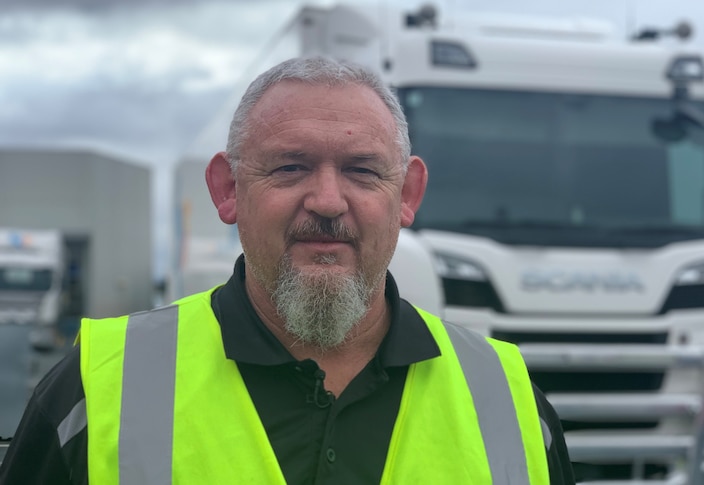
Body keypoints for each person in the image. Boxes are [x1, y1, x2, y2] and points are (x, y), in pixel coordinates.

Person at [0, 56, 576, 484]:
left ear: (408, 194)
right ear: (227, 191)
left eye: (362, 170)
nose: (327, 200)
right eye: (291, 167)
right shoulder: (97, 388)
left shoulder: (508, 399)